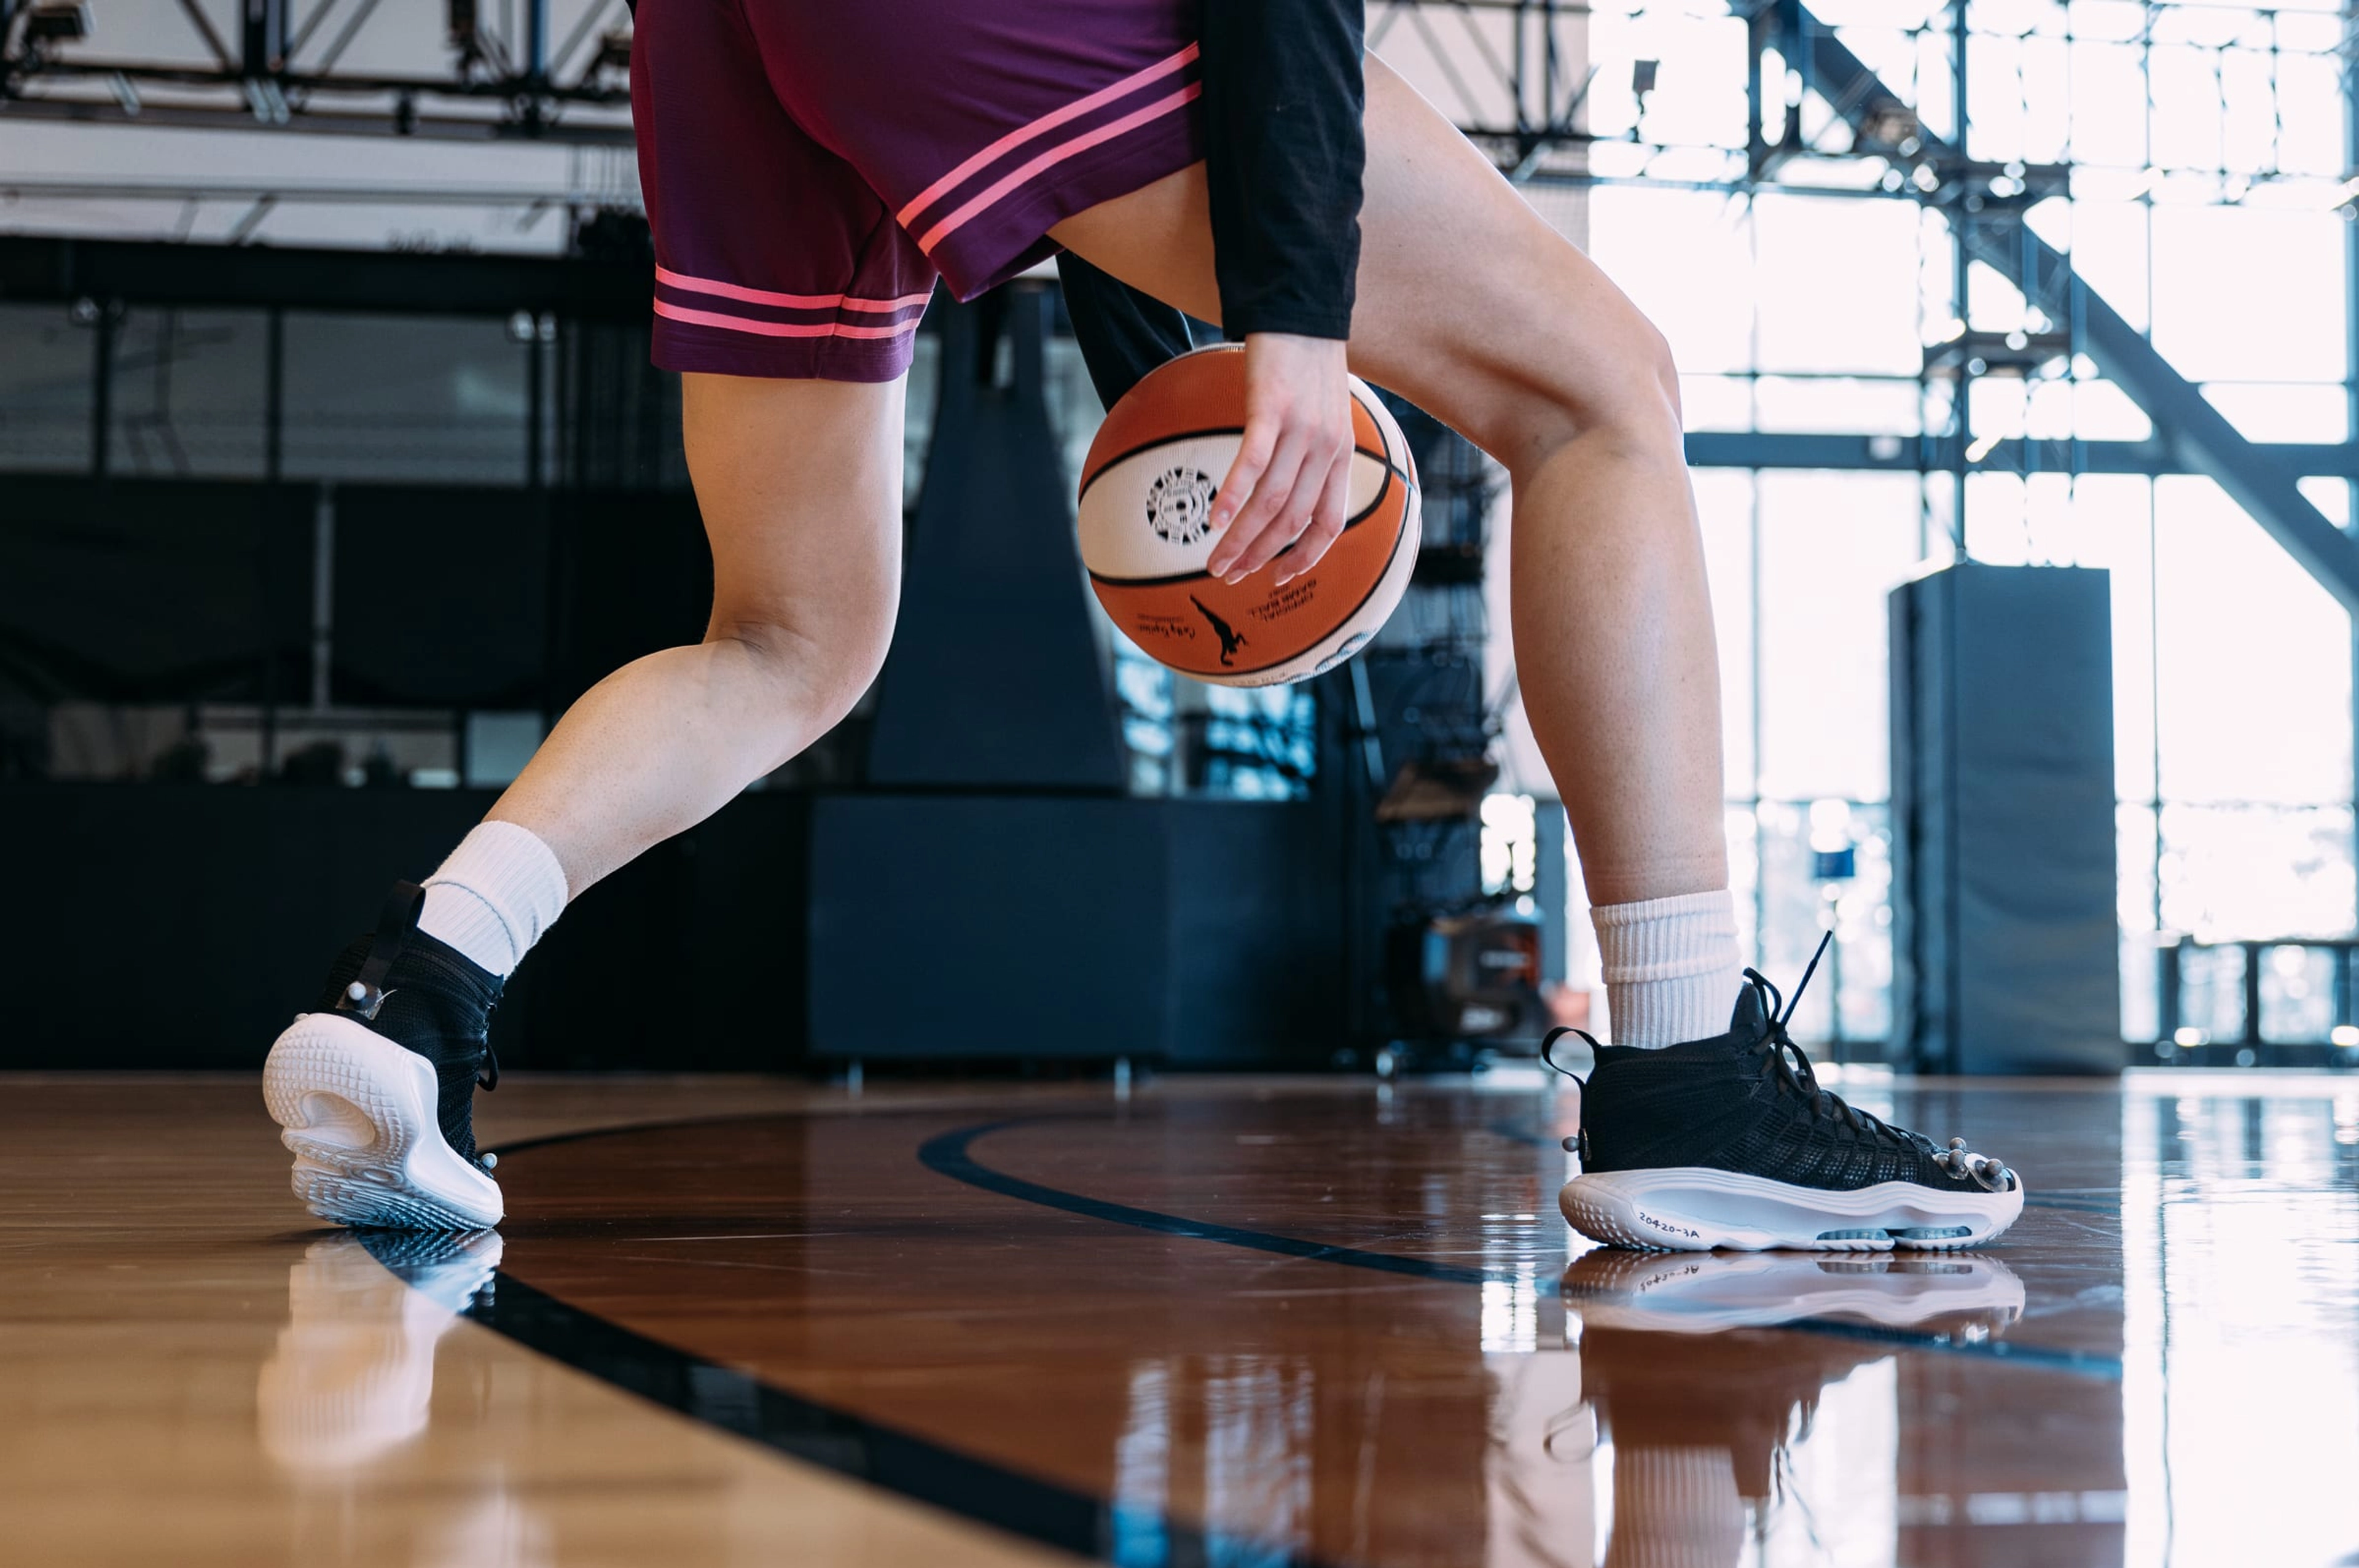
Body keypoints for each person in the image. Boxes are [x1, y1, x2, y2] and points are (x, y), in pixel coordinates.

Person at [263, 0, 2024, 1249]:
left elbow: (1106, 174)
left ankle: (421, 988)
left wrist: (1178, 387)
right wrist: (1296, 322)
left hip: (722, 31)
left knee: (793, 635)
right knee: (1601, 391)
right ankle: (1687, 1073)